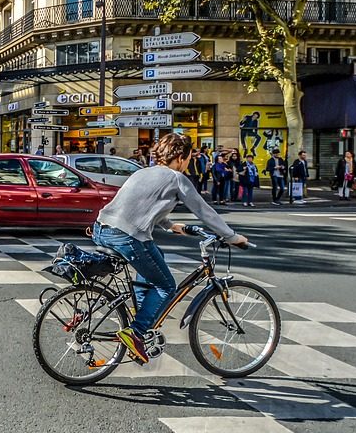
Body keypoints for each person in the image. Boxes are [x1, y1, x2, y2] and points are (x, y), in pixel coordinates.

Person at [92, 132, 248, 365]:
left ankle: (142, 316)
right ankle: (136, 332)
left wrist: (171, 225)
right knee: (166, 285)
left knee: (156, 258)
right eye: (188, 158)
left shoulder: (142, 172)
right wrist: (232, 236)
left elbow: (143, 205)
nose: (188, 163)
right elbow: (204, 210)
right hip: (128, 237)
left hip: (101, 229)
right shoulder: (176, 178)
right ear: (180, 157)